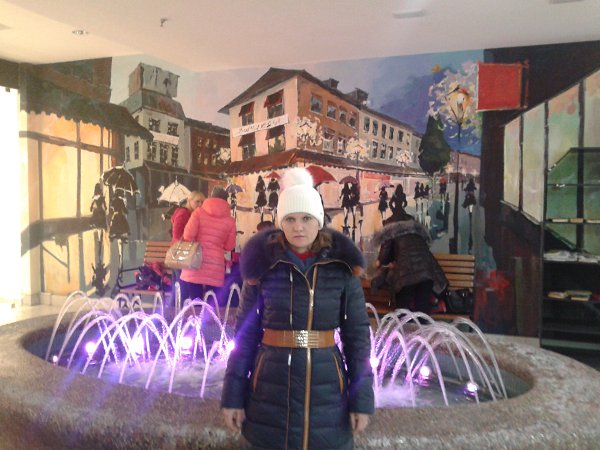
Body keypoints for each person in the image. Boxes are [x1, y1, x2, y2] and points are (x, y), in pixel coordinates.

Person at [222, 167, 374, 450]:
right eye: (290, 219)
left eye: (306, 218)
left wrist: (361, 399)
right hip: (270, 388)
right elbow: (244, 336)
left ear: (319, 219)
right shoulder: (263, 266)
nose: (298, 227)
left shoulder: (342, 269)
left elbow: (357, 337)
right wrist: (233, 396)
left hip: (327, 389)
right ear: (281, 221)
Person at [373, 209, 448, 314]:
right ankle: (432, 311)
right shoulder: (417, 230)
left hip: (406, 275)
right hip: (426, 273)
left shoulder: (391, 230)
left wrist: (379, 262)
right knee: (422, 313)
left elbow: (384, 254)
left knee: (403, 314)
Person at [179, 186, 236, 303]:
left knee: (196, 303)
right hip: (215, 265)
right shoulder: (230, 220)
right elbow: (229, 246)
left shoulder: (198, 213)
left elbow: (188, 236)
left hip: (195, 262)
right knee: (212, 303)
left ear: (210, 197)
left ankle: (196, 314)